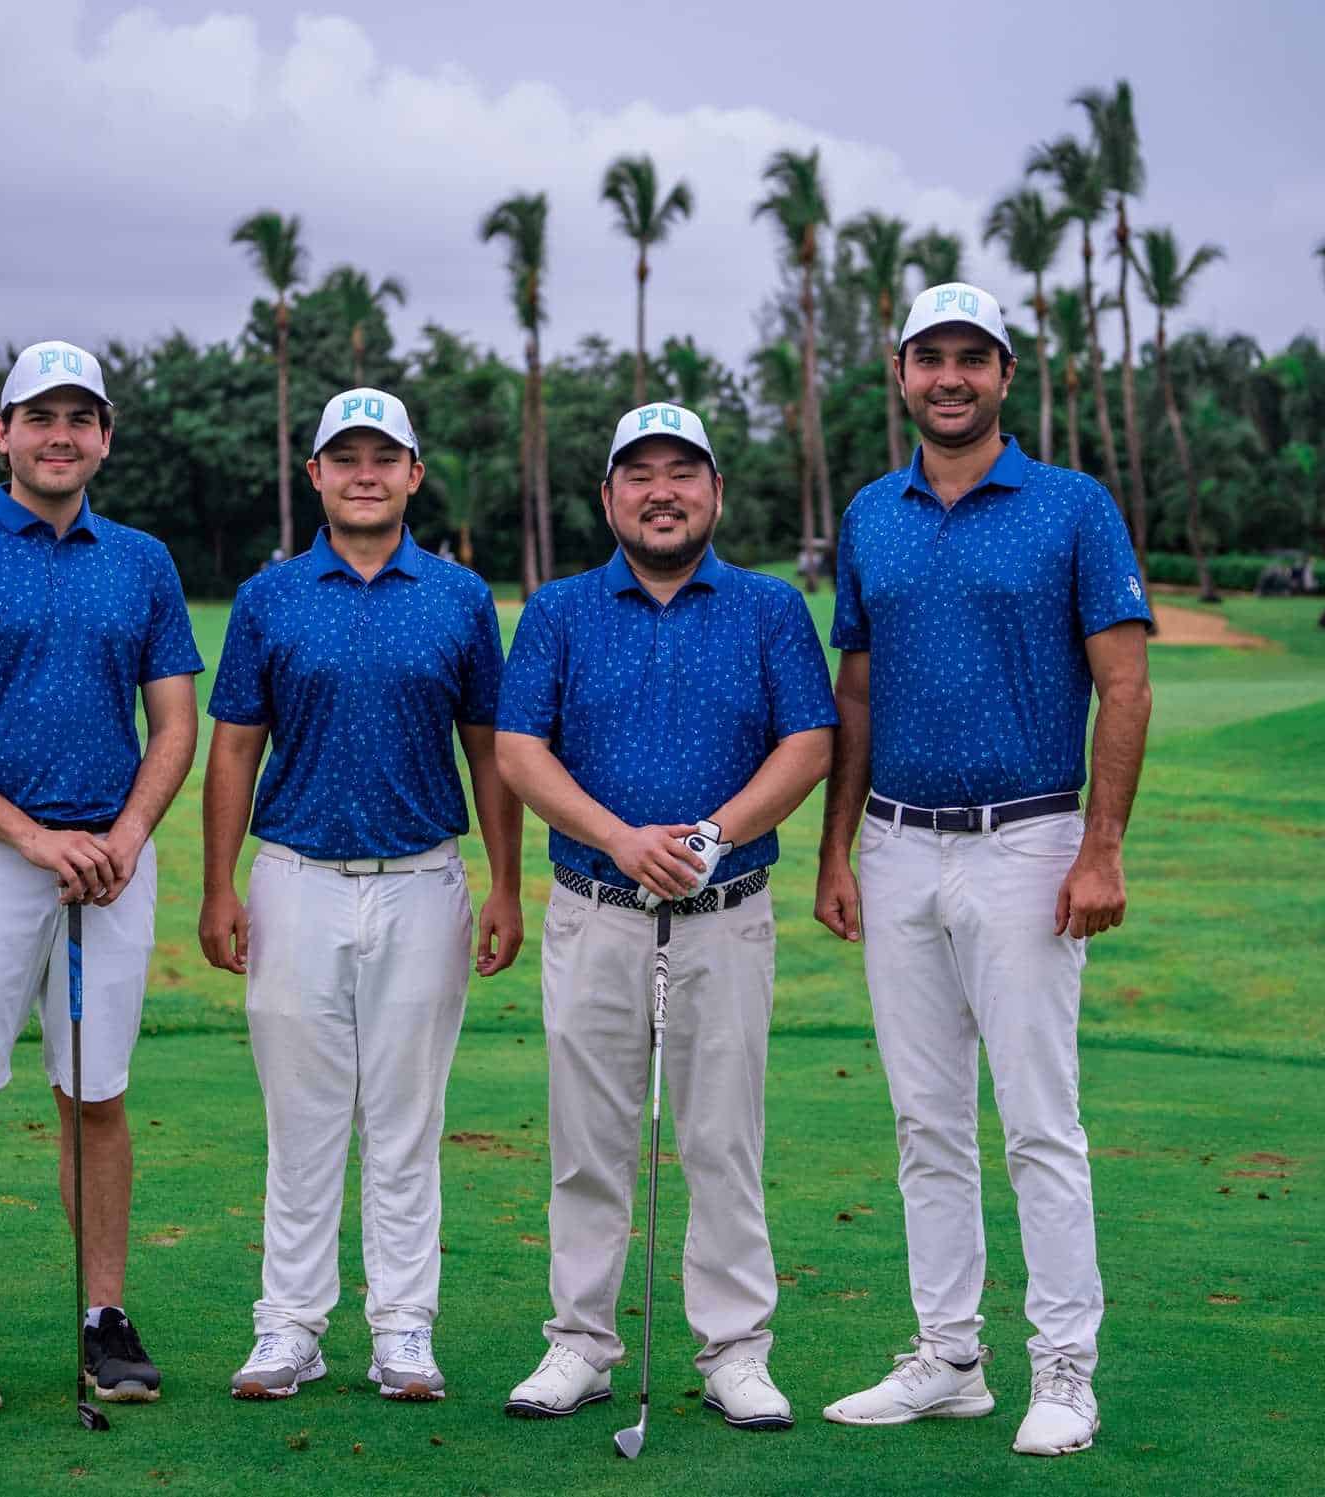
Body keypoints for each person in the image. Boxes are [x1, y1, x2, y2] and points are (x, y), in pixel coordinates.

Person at [812, 283, 1153, 1455]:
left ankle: (1062, 1368)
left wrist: (1100, 848)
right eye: (927, 358)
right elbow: (854, 690)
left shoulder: (1071, 506)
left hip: (1029, 841)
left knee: (1037, 1122)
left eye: (971, 358)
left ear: (1005, 375)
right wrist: (836, 849)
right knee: (924, 1123)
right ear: (900, 374)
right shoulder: (871, 513)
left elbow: (1123, 684)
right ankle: (947, 1359)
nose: (948, 377)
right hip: (896, 843)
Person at [0, 340, 205, 1413]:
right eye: (39, 415)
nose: (60, 435)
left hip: (110, 859)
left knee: (95, 1096)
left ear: (104, 437)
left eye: (81, 417)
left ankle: (104, 1317)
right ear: (2, 432)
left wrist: (126, 831)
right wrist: (28, 836)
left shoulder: (142, 561)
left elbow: (172, 724)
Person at [494, 401, 835, 1432]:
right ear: (607, 497)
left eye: (681, 471)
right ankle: (580, 1347)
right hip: (595, 909)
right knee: (585, 1140)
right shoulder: (558, 610)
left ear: (715, 493)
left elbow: (808, 744)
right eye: (636, 473)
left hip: (722, 913)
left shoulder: (769, 609)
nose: (660, 489)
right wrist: (619, 838)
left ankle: (735, 1350)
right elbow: (518, 751)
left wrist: (709, 837)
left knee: (722, 1139)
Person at [199, 387, 524, 1404]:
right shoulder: (270, 596)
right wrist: (217, 885)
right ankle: (288, 1327)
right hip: (293, 878)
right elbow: (235, 745)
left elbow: (488, 748)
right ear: (316, 477)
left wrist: (507, 882)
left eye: (384, 456)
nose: (364, 472)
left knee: (405, 1121)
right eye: (345, 457)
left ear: (413, 474)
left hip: (423, 881)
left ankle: (402, 1329)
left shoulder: (461, 597)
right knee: (301, 1121)